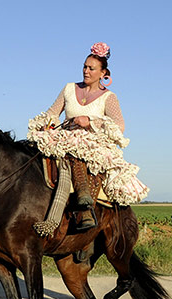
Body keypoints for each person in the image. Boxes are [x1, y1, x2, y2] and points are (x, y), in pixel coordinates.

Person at [28, 42, 148, 230]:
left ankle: (85, 206)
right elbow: (53, 111)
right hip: (65, 137)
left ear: (103, 74)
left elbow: (119, 126)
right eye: (84, 66)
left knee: (77, 155)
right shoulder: (69, 88)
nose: (86, 71)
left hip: (92, 142)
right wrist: (47, 124)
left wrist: (90, 122)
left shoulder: (109, 97)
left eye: (91, 68)